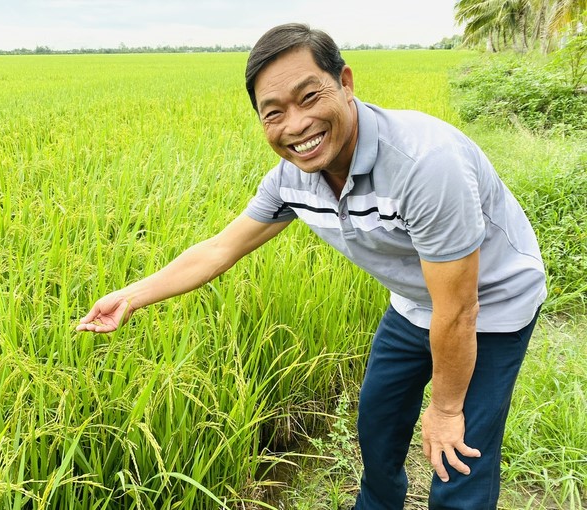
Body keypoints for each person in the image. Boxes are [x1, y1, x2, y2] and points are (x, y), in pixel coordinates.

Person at [76, 23, 546, 510]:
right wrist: (129, 297)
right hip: (416, 302)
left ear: (345, 82)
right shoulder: (291, 181)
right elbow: (219, 250)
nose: (295, 125)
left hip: (491, 304)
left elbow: (460, 309)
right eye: (273, 113)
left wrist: (446, 408)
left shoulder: (424, 164)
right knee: (379, 418)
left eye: (308, 97)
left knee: (459, 447)